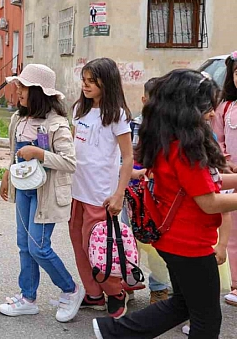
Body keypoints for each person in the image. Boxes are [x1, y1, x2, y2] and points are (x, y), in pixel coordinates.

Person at [92, 69, 237, 339]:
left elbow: (205, 184)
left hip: (173, 240)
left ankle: (113, 331)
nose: (213, 113)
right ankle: (114, 332)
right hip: (190, 245)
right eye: (207, 106)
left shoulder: (170, 141)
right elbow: (209, 201)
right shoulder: (186, 150)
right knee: (207, 319)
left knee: (183, 304)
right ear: (186, 109)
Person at [0, 64, 85, 322]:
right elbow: (15, 153)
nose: (18, 91)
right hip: (24, 190)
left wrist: (39, 154)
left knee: (39, 247)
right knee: (24, 245)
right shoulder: (18, 119)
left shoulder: (57, 124)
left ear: (37, 92)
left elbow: (70, 163)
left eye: (23, 87)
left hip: (45, 195)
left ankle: (71, 289)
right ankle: (28, 297)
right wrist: (7, 173)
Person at [70, 58, 134, 319]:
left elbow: (127, 157)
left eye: (91, 81)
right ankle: (94, 294)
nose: (85, 85)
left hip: (101, 196)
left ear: (106, 82)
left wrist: (119, 193)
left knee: (98, 249)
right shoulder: (79, 110)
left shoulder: (117, 115)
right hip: (77, 192)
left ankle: (116, 292)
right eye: (83, 80)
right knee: (79, 245)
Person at [124, 77, 172, 304]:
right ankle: (128, 283)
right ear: (144, 100)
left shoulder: (172, 129)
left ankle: (159, 287)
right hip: (134, 194)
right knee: (129, 240)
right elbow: (128, 157)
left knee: (156, 243)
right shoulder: (134, 125)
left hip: (160, 195)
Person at [210, 51, 237, 307]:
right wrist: (226, 162)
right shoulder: (225, 107)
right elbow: (217, 140)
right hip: (231, 177)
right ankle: (235, 282)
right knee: (231, 231)